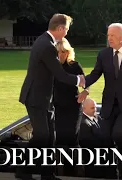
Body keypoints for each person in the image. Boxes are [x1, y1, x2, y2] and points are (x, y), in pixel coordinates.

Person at [17, 13, 85, 180]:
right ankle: (22, 170)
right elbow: (60, 74)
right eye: (66, 30)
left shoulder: (43, 41)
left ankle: (47, 174)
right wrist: (80, 79)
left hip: (45, 98)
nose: (67, 33)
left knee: (50, 137)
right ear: (60, 28)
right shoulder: (47, 46)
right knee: (42, 136)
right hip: (36, 98)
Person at [80, 23, 122, 179]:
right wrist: (80, 82)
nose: (109, 38)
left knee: (118, 134)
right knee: (105, 137)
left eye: (112, 35)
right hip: (109, 105)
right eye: (108, 35)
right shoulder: (103, 54)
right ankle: (114, 172)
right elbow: (95, 74)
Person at [52, 38, 88, 176]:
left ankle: (78, 172)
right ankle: (59, 171)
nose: (60, 55)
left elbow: (86, 82)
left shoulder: (74, 66)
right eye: (58, 52)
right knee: (60, 139)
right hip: (57, 107)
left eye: (63, 52)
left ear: (68, 52)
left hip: (73, 107)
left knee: (72, 138)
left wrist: (85, 92)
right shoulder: (53, 67)